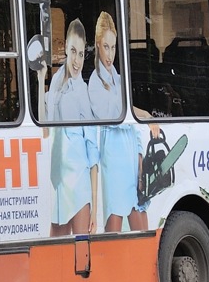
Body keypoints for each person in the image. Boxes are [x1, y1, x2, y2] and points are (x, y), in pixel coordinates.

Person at [88, 12, 146, 233]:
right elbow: (115, 118)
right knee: (114, 230)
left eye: (113, 47)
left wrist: (140, 162)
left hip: (132, 163)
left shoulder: (120, 79)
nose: (109, 54)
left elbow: (134, 127)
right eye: (105, 47)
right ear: (98, 46)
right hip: (113, 164)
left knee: (142, 231)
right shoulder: (94, 83)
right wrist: (140, 114)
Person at [45, 18, 98, 237]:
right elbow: (46, 129)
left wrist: (94, 207)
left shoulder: (83, 92)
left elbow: (92, 152)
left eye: (81, 54)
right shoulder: (56, 82)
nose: (77, 61)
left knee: (81, 251)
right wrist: (40, 82)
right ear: (65, 49)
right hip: (60, 183)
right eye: (73, 51)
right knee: (54, 250)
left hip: (78, 184)